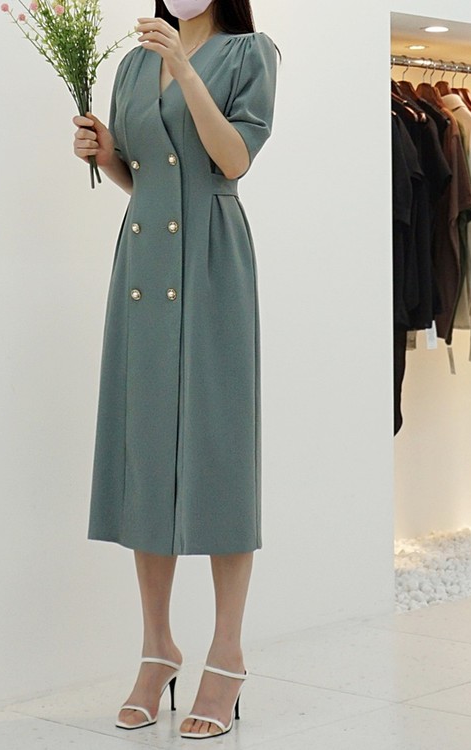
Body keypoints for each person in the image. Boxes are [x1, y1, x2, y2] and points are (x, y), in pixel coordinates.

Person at [72, 0, 277, 739]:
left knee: (220, 451)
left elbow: (233, 160)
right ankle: (157, 647)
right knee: (147, 448)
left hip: (213, 261)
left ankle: (228, 654)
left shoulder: (250, 52)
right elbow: (148, 178)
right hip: (144, 262)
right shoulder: (132, 63)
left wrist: (185, 69)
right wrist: (105, 155)